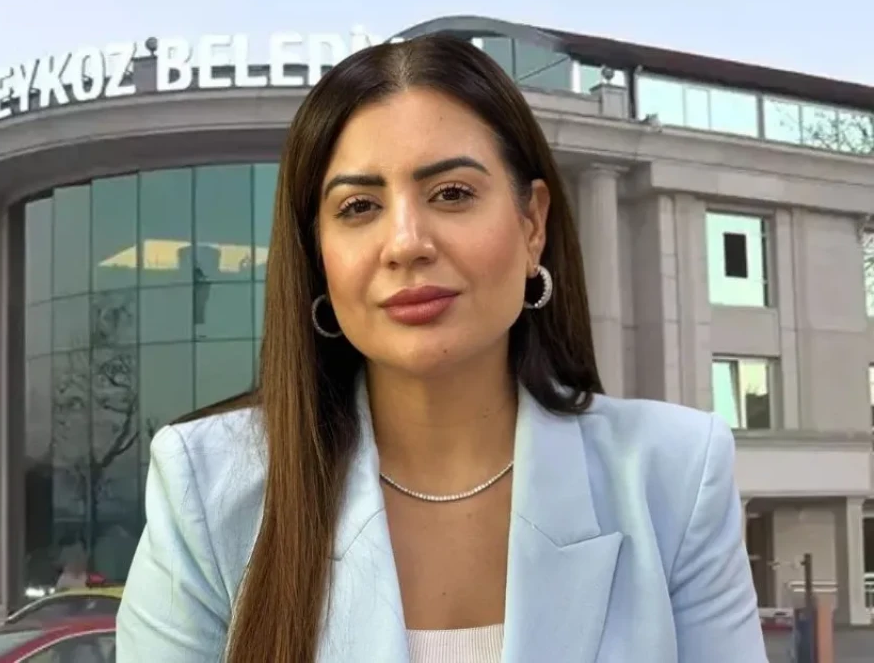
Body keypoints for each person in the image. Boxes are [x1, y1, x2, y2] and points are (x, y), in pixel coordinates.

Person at [116, 33, 767, 662]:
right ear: (318, 254)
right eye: (358, 207)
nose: (406, 243)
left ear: (532, 224)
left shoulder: (675, 478)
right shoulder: (209, 490)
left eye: (452, 194)